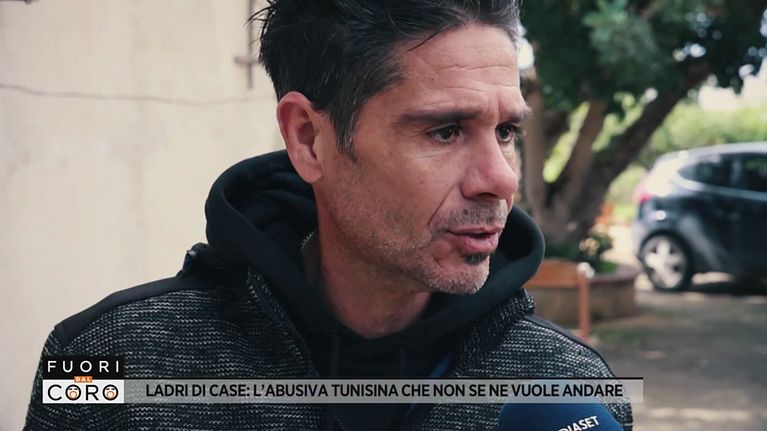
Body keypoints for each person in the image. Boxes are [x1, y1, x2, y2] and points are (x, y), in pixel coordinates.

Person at [25, 0, 633, 429]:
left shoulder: (569, 386)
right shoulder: (108, 363)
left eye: (505, 131)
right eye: (445, 131)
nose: (501, 178)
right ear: (309, 139)